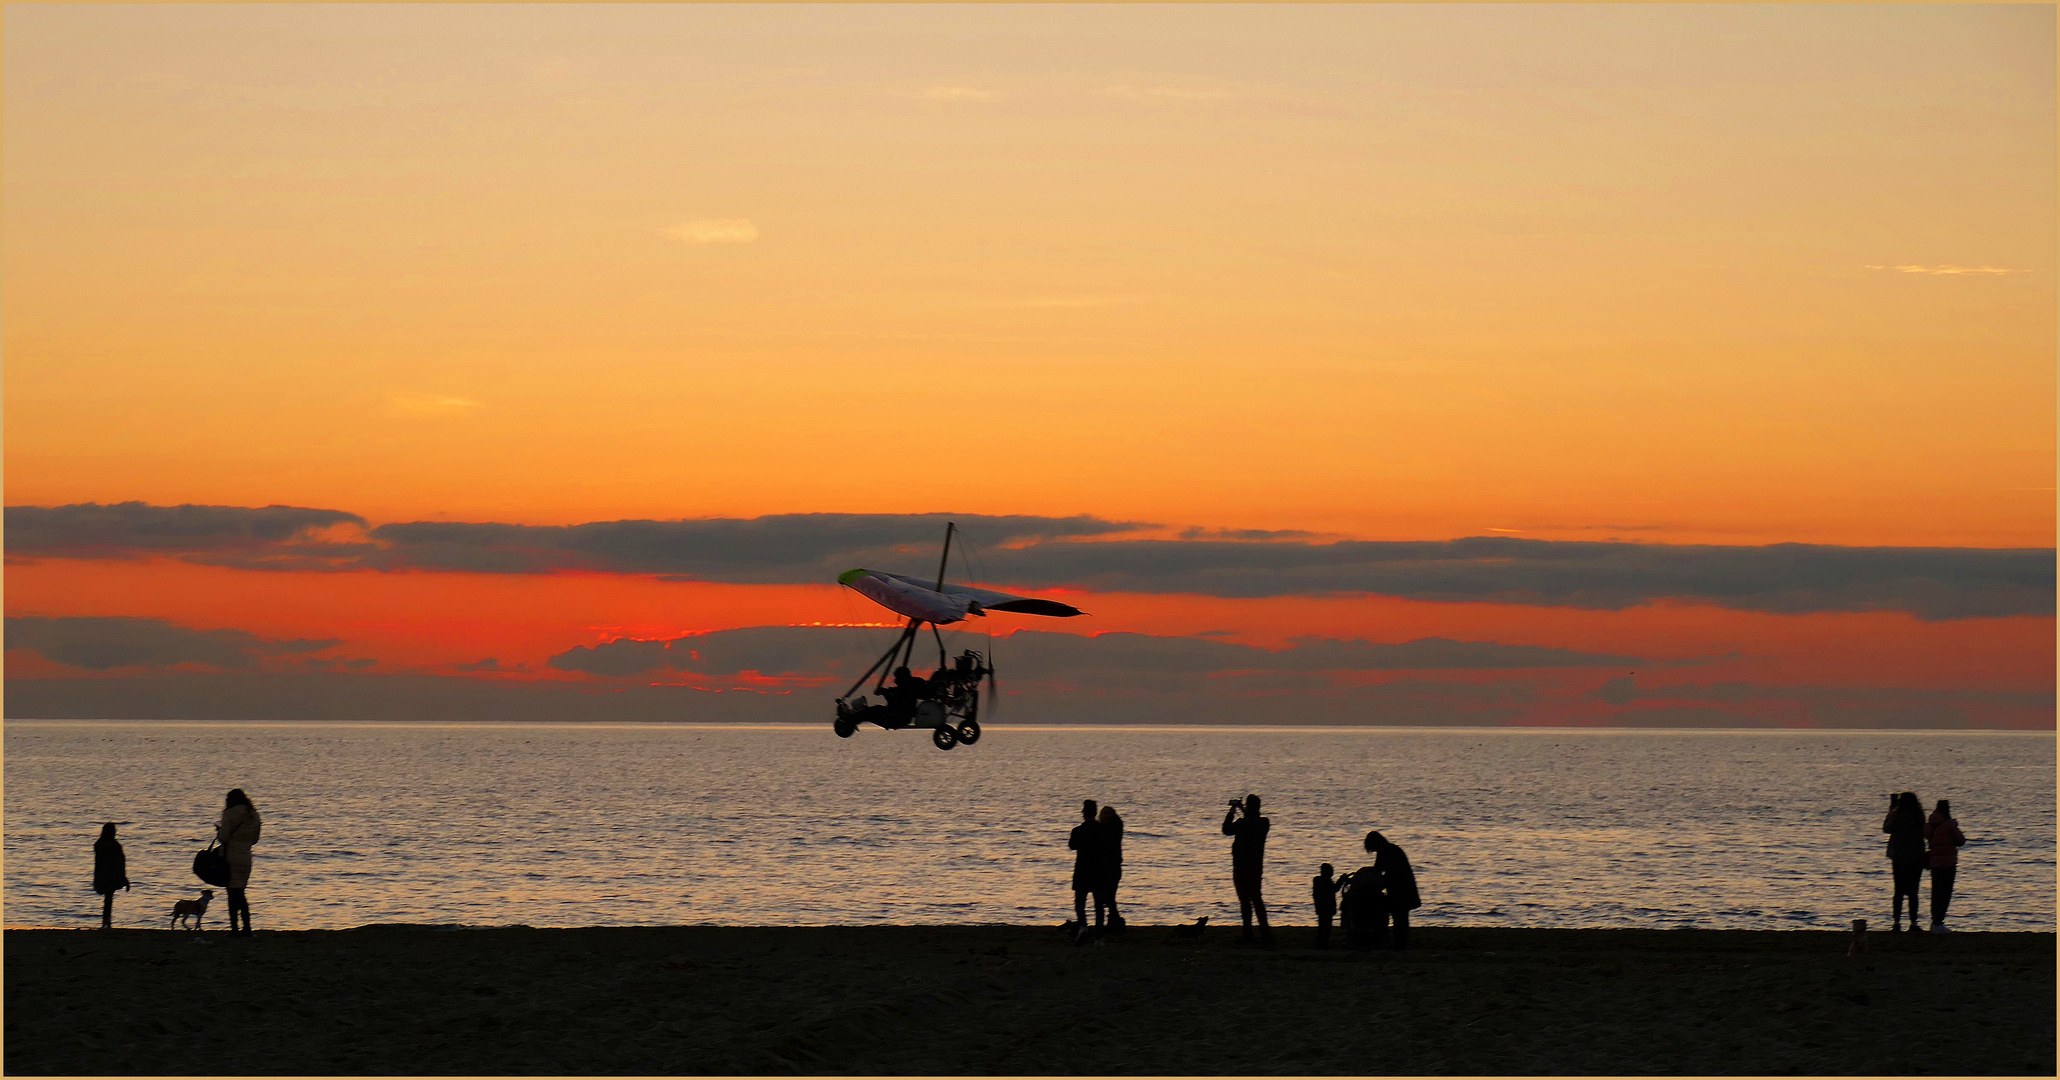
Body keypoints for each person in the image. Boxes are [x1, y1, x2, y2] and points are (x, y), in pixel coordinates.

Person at [1222, 793, 1273, 945]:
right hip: (1256, 867)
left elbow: (1226, 829)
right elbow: (1252, 820)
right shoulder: (1264, 823)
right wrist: (1243, 809)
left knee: (1245, 901)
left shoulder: (1242, 824)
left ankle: (1248, 934)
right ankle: (1265, 934)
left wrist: (1232, 810)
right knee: (1257, 899)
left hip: (1242, 866)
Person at [216, 788, 263, 937]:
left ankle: (235, 929)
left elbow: (223, 837)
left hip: (231, 857)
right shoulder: (254, 815)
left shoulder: (230, 813)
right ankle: (247, 928)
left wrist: (219, 831)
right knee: (240, 892)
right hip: (246, 857)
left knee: (232, 893)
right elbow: (255, 839)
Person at [1882, 791, 1927, 932]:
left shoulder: (1897, 816)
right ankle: (1913, 923)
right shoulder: (1918, 816)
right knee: (1913, 892)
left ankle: (1896, 923)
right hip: (1915, 857)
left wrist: (1891, 810)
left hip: (1899, 857)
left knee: (1899, 891)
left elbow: (1886, 828)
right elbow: (1924, 832)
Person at [1368, 831, 1421, 951]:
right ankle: (1401, 944)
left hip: (1400, 890)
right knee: (1401, 918)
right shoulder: (1391, 849)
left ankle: (1400, 945)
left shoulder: (1385, 851)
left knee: (1399, 918)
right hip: (1403, 889)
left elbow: (1377, 870)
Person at [1925, 799, 1967, 932]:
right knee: (1945, 893)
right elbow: (1961, 841)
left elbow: (1925, 835)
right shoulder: (1950, 826)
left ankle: (1934, 921)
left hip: (1935, 863)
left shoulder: (1931, 825)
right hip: (1948, 864)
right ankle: (1939, 922)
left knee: (1936, 892)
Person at [1067, 799, 1102, 943]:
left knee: (1080, 903)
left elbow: (1072, 846)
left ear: (1083, 813)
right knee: (1098, 905)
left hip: (1082, 870)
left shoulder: (1078, 831)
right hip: (1098, 871)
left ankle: (1083, 927)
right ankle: (1099, 935)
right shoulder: (1102, 831)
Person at [92, 823, 130, 930]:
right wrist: (123, 878)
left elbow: (119, 862)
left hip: (105, 875)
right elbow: (119, 862)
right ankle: (106, 921)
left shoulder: (100, 844)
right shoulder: (112, 845)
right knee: (108, 898)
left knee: (108, 898)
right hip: (109, 875)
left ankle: (106, 921)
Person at [1094, 805, 1126, 933]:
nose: (1106, 815)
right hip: (1105, 867)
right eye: (1104, 813)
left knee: (1109, 896)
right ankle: (1114, 921)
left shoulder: (1113, 828)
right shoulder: (1105, 828)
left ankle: (1115, 922)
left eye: (1108, 813)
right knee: (1108, 897)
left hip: (1111, 867)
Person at [1311, 863, 1339, 949]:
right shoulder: (1325, 881)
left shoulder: (1318, 881)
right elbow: (1334, 889)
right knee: (1326, 927)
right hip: (1326, 908)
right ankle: (1322, 944)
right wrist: (1341, 881)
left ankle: (1321, 943)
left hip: (1321, 908)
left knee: (1323, 926)